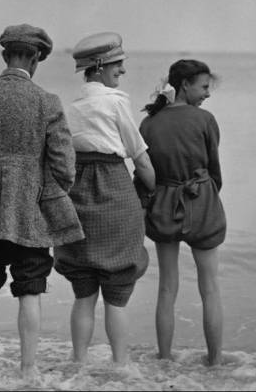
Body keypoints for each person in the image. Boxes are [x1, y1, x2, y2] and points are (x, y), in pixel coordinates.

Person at [0, 23, 84, 380]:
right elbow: (65, 166)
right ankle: (28, 370)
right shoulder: (47, 102)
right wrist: (49, 193)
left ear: (4, 55)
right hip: (30, 211)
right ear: (37, 58)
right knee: (30, 289)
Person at [53, 32, 156, 365]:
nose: (122, 71)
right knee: (116, 297)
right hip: (113, 189)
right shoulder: (115, 102)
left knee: (83, 295)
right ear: (98, 67)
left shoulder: (71, 107)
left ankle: (79, 363)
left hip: (78, 194)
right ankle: (121, 366)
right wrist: (153, 187)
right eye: (117, 64)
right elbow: (139, 156)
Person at [139, 59, 226, 366]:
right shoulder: (204, 119)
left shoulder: (149, 123)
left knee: (166, 287)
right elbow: (214, 170)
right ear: (185, 85)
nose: (207, 94)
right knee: (210, 287)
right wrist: (207, 194)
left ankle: (164, 358)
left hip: (163, 204)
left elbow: (145, 173)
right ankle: (214, 361)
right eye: (204, 87)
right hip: (200, 202)